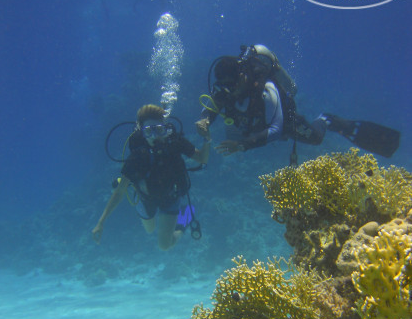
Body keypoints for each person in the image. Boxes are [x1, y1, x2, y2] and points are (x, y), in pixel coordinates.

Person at [195, 44, 400, 159]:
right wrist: (205, 120)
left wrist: (241, 145)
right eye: (224, 86)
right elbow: (212, 106)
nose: (229, 91)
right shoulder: (226, 89)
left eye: (231, 85)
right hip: (256, 125)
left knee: (316, 138)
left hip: (284, 122)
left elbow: (276, 129)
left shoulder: (266, 88)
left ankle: (326, 119)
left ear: (242, 76)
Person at [92, 104, 210, 250]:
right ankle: (130, 184)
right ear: (142, 133)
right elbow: (119, 192)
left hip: (170, 197)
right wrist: (101, 222)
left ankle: (185, 219)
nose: (155, 137)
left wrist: (207, 138)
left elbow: (202, 158)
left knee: (164, 245)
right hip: (145, 198)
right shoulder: (137, 157)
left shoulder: (175, 143)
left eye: (159, 130)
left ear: (165, 129)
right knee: (149, 230)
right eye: (149, 131)